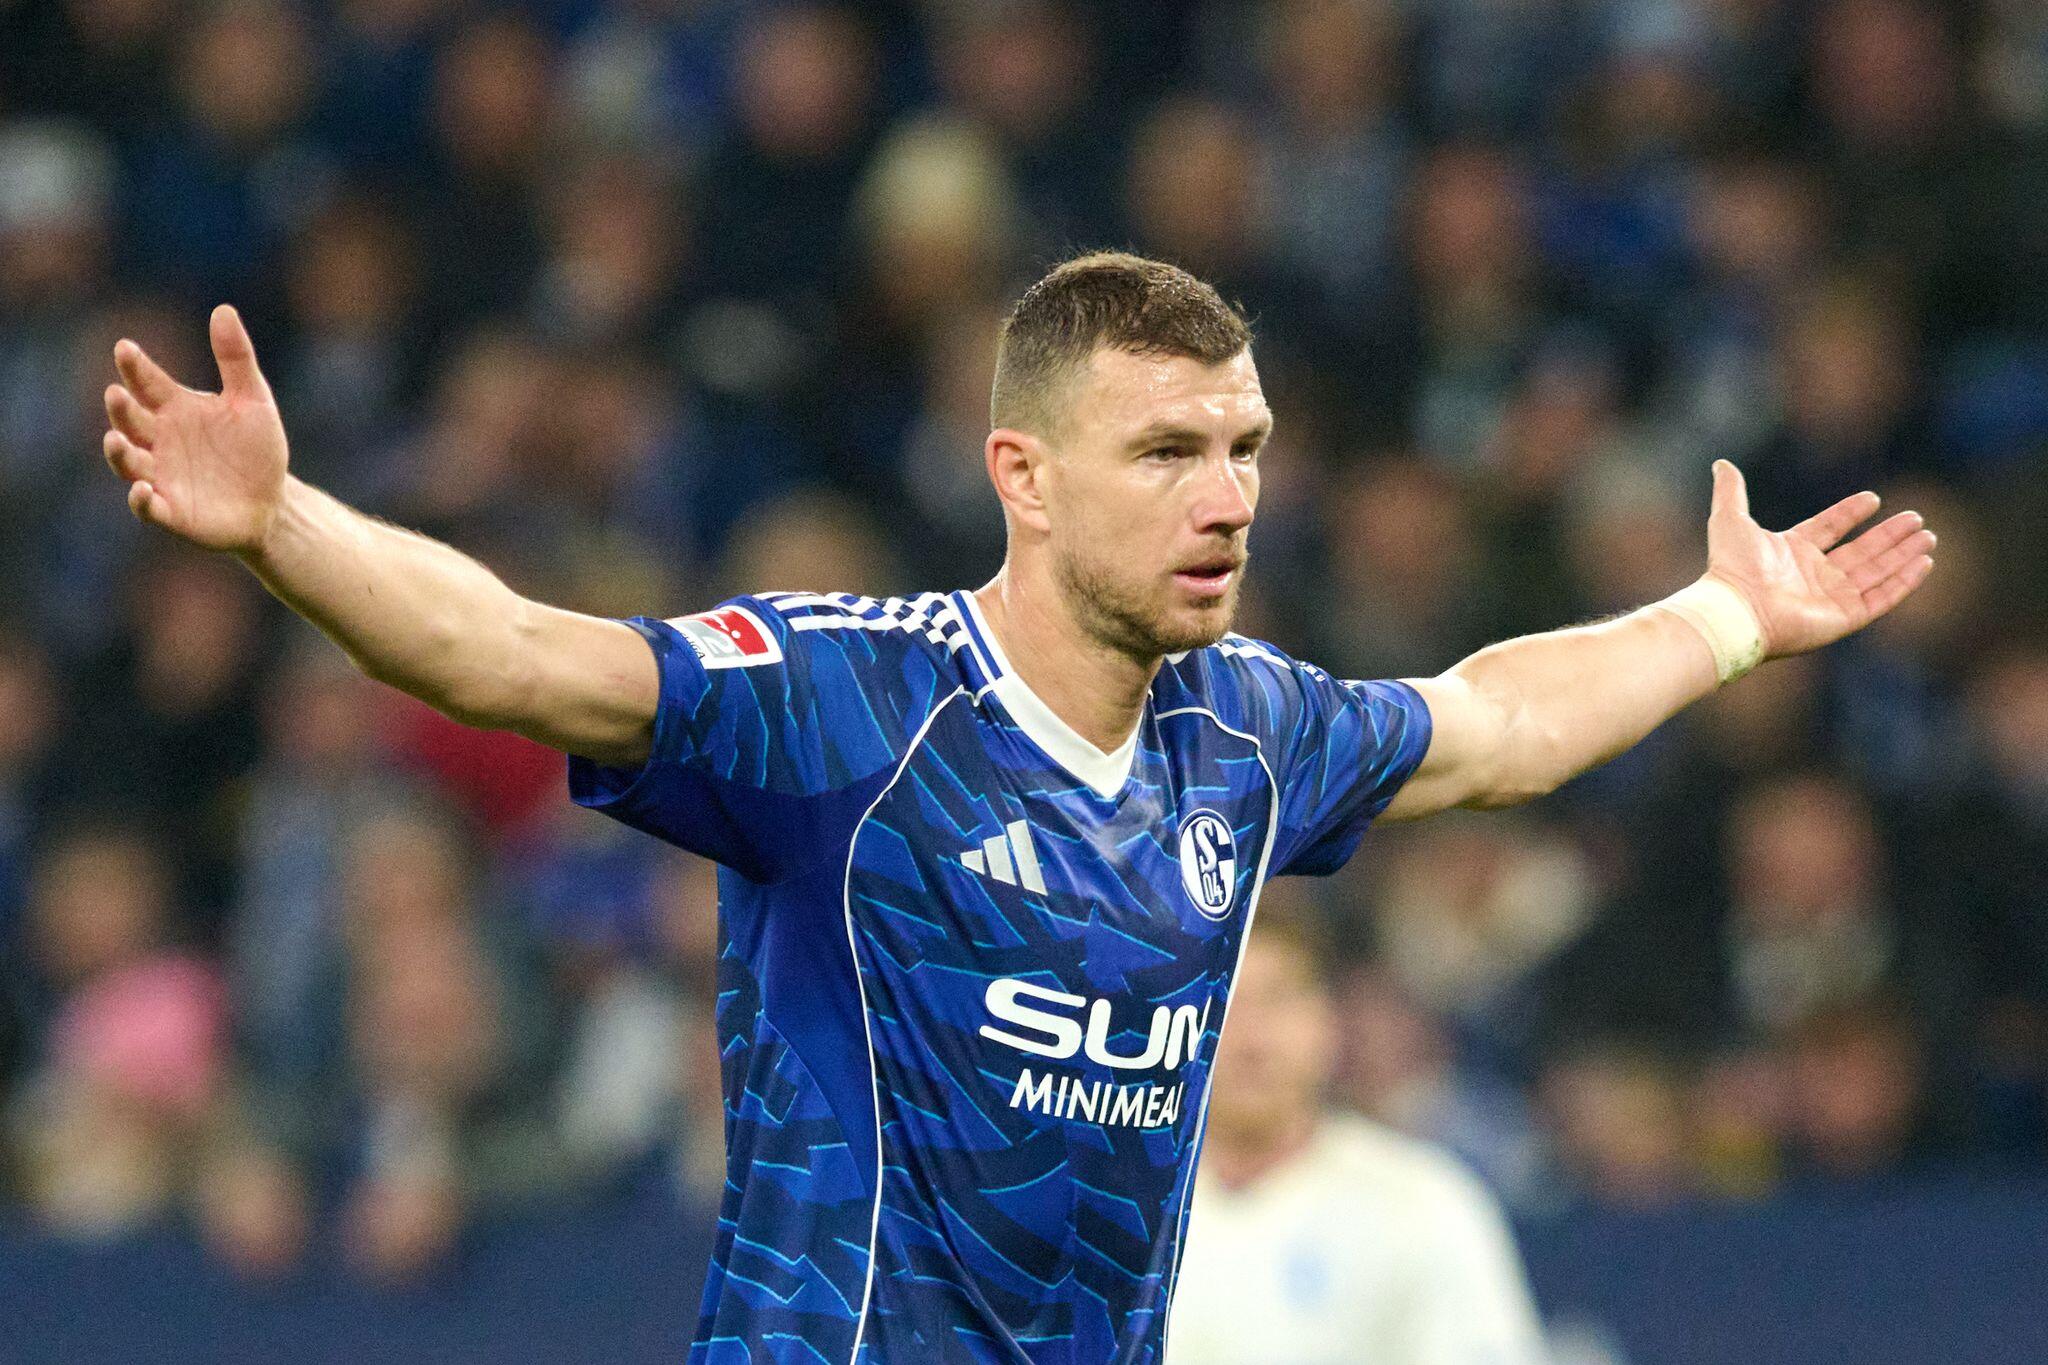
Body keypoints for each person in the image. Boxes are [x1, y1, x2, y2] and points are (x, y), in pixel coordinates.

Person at [96, 251, 1936, 1362]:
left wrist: (1723, 621)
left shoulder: (1245, 730)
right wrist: (280, 526)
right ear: (1024, 477)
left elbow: (1493, 725)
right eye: (1167, 451)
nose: (1227, 497)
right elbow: (512, 652)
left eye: (1245, 449)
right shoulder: (847, 701)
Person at [1169, 911, 1545, 1364]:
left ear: (1330, 1023)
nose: (1251, 1040)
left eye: (1276, 1000)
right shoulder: (1111, 1207)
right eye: (1224, 1003)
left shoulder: (1422, 1204)